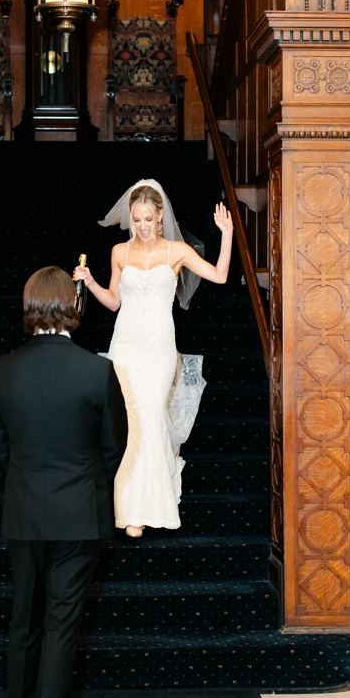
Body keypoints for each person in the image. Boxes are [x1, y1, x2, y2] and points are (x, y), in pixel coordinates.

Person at [0, 267, 129, 698]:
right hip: (79, 514)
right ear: (72, 305)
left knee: (24, 616)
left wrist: (31, 480)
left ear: (30, 307)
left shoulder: (1, 370)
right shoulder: (96, 371)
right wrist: (85, 481)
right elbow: (115, 447)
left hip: (23, 509)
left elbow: (0, 448)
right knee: (61, 624)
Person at [73, 180, 233, 537]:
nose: (142, 226)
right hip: (125, 346)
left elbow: (220, 276)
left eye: (148, 219)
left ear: (160, 217)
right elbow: (115, 302)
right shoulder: (119, 252)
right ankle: (129, 509)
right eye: (136, 219)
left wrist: (227, 233)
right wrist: (91, 280)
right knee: (126, 419)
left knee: (149, 413)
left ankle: (149, 506)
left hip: (159, 348)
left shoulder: (176, 251)